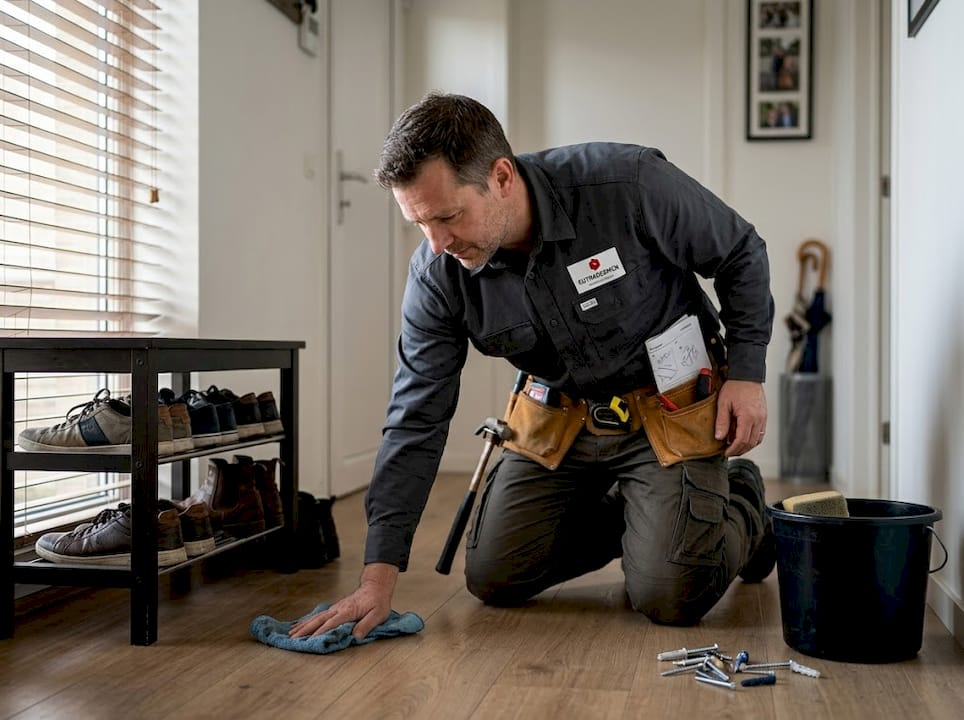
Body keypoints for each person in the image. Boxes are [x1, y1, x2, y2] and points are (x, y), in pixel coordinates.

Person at [290, 92, 775, 640]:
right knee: (494, 575)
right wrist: (376, 581)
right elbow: (415, 415)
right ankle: (654, 517)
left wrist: (747, 374)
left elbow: (740, 252)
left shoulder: (628, 184)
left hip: (668, 410)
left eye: (448, 216)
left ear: (501, 177)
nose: (437, 243)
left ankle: (742, 500)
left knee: (669, 594)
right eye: (419, 223)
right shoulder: (437, 273)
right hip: (561, 422)